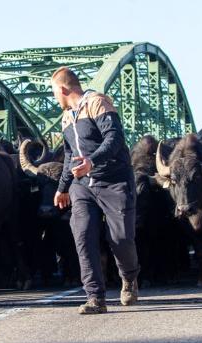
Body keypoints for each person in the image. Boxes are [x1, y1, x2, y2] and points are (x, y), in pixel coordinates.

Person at [50, 67, 140, 315]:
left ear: (63, 89)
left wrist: (92, 161)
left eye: (54, 92)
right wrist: (63, 187)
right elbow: (69, 155)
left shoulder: (97, 103)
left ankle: (129, 278)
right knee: (83, 236)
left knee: (120, 239)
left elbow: (114, 138)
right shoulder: (67, 117)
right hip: (82, 187)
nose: (54, 97)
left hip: (114, 181)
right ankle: (95, 298)